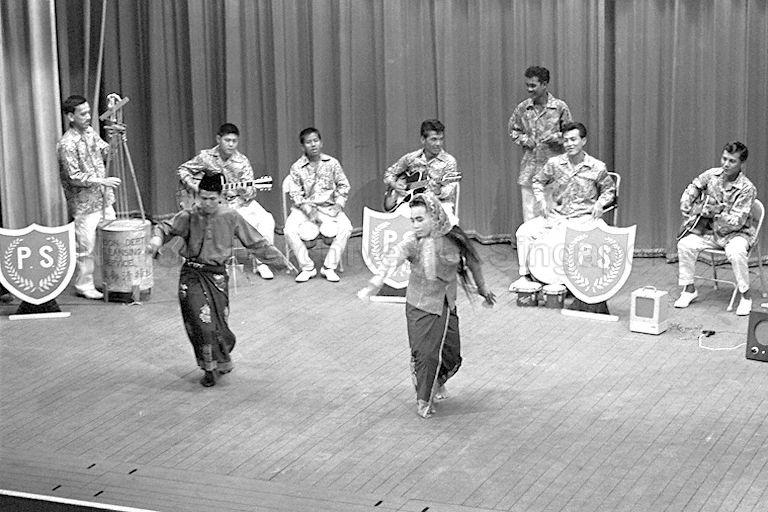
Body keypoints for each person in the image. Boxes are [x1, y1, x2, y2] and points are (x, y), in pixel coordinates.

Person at [358, 193, 496, 418]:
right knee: (426, 356)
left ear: (435, 216)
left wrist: (483, 290)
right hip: (420, 306)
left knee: (452, 355)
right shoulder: (413, 242)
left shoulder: (455, 238)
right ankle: (424, 398)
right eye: (413, 220)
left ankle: (436, 381)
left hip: (446, 304)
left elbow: (473, 263)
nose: (415, 225)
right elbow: (393, 259)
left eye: (420, 219)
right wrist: (374, 284)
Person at [148, 173, 290, 387]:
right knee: (201, 324)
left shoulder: (230, 216)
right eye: (203, 198)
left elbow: (255, 241)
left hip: (216, 277)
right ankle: (209, 368)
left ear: (220, 196)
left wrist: (280, 262)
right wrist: (156, 240)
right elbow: (164, 227)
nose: (207, 203)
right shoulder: (189, 215)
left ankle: (221, 357)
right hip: (192, 275)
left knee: (219, 326)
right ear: (198, 196)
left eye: (212, 198)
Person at [509, 122, 615, 291]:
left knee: (592, 239)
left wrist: (600, 203)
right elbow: (537, 181)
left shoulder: (597, 167)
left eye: (573, 139)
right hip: (557, 216)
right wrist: (541, 201)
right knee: (524, 232)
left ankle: (582, 282)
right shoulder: (555, 163)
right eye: (566, 140)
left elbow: (609, 190)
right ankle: (526, 276)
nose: (569, 144)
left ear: (583, 141)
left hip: (583, 218)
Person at [177, 123, 276, 279]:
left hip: (238, 202)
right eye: (227, 140)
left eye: (234, 141)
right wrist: (196, 186)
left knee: (266, 219)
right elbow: (183, 169)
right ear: (219, 139)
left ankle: (262, 263)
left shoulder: (242, 161)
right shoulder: (206, 157)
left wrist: (245, 189)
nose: (231, 144)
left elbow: (251, 194)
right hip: (214, 205)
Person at [674, 141, 757, 316]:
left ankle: (745, 296)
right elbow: (693, 187)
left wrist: (715, 212)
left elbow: (737, 221)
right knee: (685, 245)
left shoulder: (747, 188)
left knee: (736, 252)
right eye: (724, 158)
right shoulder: (712, 175)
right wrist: (689, 207)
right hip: (711, 232)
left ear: (742, 164)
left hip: (737, 234)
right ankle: (689, 290)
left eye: (732, 161)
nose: (726, 164)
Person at [57, 94, 122, 300]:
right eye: (82, 113)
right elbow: (73, 176)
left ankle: (113, 280)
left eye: (88, 112)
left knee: (113, 242)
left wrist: (115, 137)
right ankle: (84, 285)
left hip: (104, 199)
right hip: (85, 205)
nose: (87, 117)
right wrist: (102, 181)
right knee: (86, 247)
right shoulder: (67, 143)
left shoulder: (91, 133)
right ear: (70, 116)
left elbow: (107, 152)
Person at [285, 127, 352, 283]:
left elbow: (343, 185)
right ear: (303, 147)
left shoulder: (332, 163)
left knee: (346, 227)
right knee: (289, 230)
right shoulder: (296, 167)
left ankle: (329, 267)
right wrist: (309, 212)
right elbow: (296, 195)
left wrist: (339, 204)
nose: (313, 145)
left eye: (316, 141)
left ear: (321, 143)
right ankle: (307, 267)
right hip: (303, 209)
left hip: (328, 207)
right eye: (309, 142)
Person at [508, 66, 572, 222]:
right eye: (527, 85)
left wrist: (556, 137)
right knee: (530, 219)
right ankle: (530, 247)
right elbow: (513, 131)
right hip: (530, 172)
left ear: (544, 84)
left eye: (533, 85)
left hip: (555, 173)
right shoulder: (523, 108)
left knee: (554, 218)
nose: (529, 89)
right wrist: (525, 140)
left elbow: (571, 134)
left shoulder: (559, 107)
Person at [383, 119, 460, 224]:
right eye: (434, 139)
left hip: (439, 203)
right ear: (423, 140)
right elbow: (389, 174)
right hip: (411, 202)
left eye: (441, 139)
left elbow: (450, 191)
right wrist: (395, 185)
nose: (438, 144)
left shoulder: (449, 161)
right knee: (399, 221)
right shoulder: (411, 158)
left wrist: (438, 191)